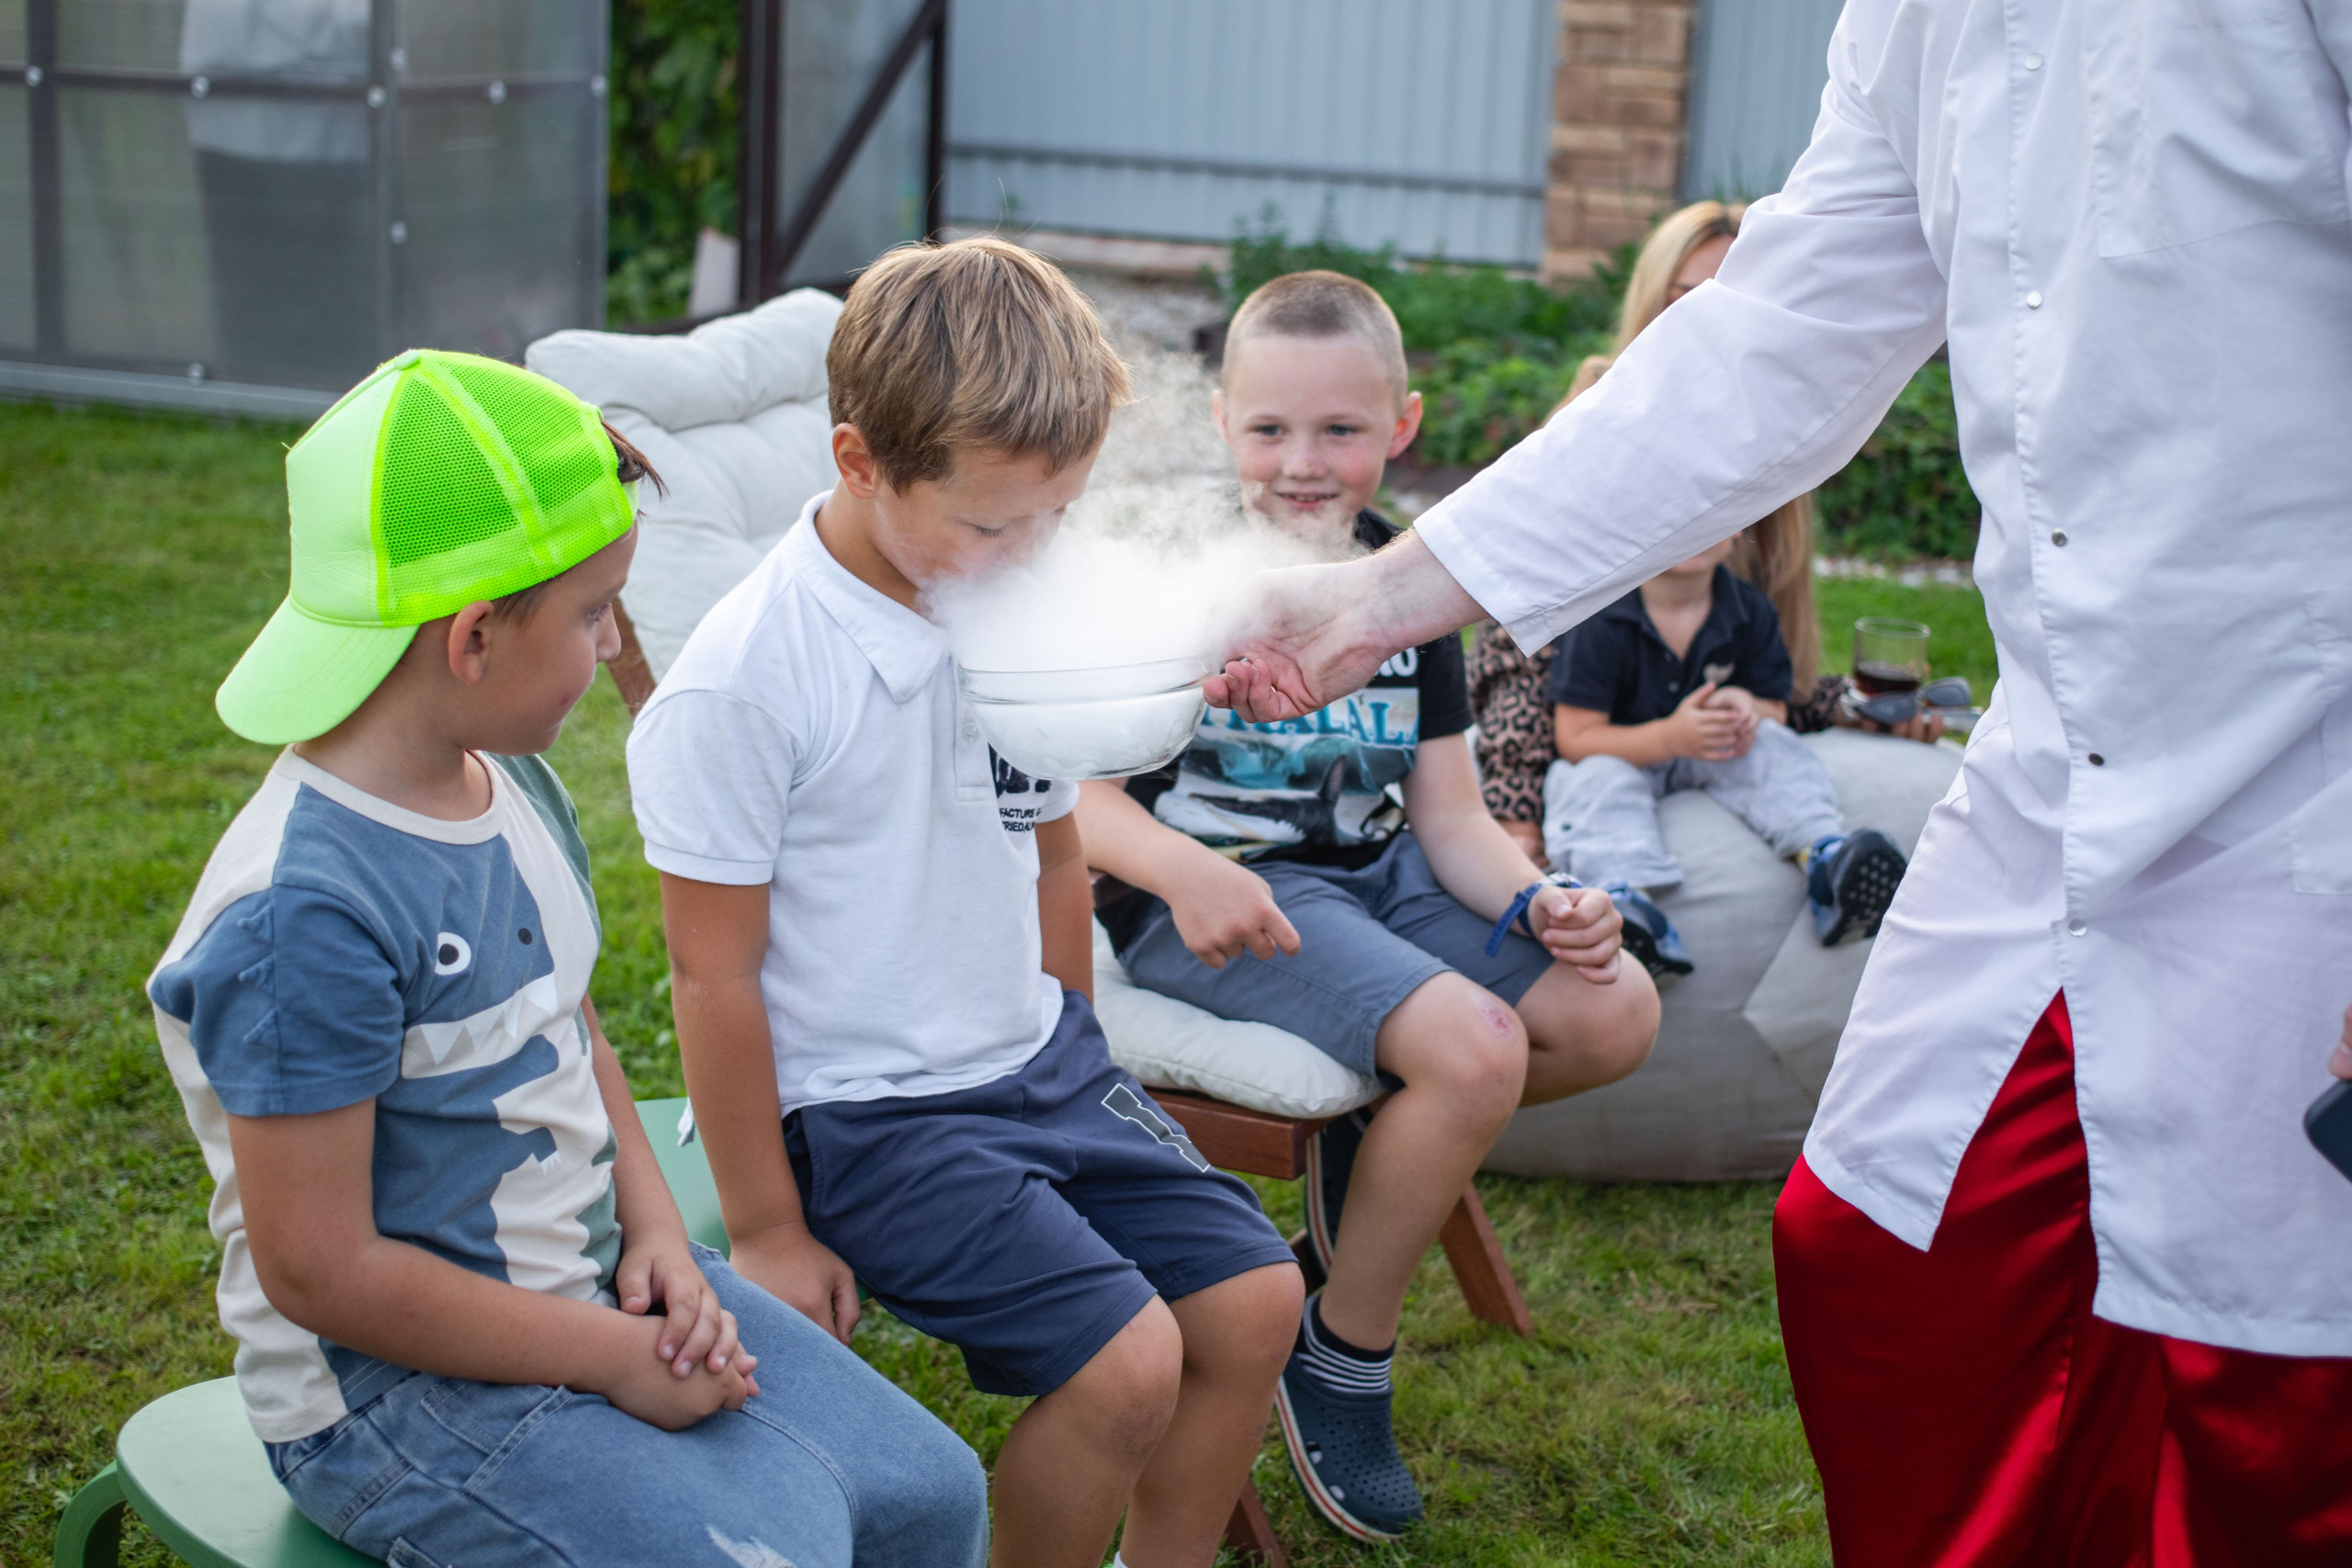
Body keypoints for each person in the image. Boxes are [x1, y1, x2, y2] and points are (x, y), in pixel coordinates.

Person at [1204, 6, 2352, 1562]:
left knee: (2269, 1393)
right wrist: (1384, 596)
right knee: (1878, 1261)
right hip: (2056, 780)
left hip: (2309, 799)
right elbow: (1768, 346)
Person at [146, 350, 988, 1566]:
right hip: (395, 1402)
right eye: (595, 614)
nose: (613, 644)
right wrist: (613, 1358)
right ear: (474, 638)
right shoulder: (300, 919)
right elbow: (323, 1273)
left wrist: (657, 1237)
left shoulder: (512, 784)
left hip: (599, 1286)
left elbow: (571, 1031)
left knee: (930, 1490)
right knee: (777, 1548)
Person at [625, 238, 1304, 1568]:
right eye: (991, 526)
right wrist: (765, 1228)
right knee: (1126, 1366)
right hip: (867, 1113)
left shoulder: (1024, 611)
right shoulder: (743, 682)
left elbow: (1051, 855)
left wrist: (1075, 1040)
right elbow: (711, 975)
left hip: (1039, 1064)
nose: (1027, 555)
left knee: (1256, 1302)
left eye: (1056, 516)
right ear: (858, 460)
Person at [1080, 271, 1658, 1542]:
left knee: (1613, 1009)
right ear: (1222, 420)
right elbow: (1079, 804)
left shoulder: (1405, 583)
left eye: (1339, 429)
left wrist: (1545, 898)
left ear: (1401, 424)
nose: (1302, 462)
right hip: (1217, 903)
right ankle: (1341, 1346)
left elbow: (1449, 817)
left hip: (1377, 878)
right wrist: (1183, 870)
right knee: (1476, 1047)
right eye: (1269, 428)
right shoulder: (1176, 577)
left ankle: (1370, 1177)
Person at [1467, 199, 1939, 862]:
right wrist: (1516, 809)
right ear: (1652, 304)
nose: (1711, 322)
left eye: (1732, 299)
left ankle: (1825, 860)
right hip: (1586, 742)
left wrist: (1863, 705)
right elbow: (1512, 634)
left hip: (1710, 742)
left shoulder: (1780, 435)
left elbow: (1771, 669)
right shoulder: (1598, 413)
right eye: (1687, 299)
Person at [1544, 528, 1911, 969]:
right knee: (1589, 781)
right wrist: (1668, 739)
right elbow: (1575, 738)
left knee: (1770, 742)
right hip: (1625, 756)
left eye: (1711, 510)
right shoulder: (1601, 617)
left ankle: (1827, 858)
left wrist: (1747, 706)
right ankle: (1625, 906)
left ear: (1738, 524)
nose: (1694, 526)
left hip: (1714, 750)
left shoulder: (1748, 609)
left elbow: (1775, 709)